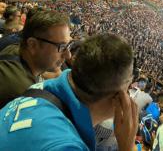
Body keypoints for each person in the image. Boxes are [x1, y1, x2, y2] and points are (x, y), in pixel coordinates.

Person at [0, 33, 138, 150]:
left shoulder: (41, 88)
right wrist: (128, 146)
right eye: (128, 84)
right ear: (119, 94)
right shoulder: (67, 146)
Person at [0, 10, 72, 107]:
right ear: (33, 45)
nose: (68, 55)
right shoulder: (24, 94)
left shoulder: (14, 48)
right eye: (62, 47)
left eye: (68, 46)